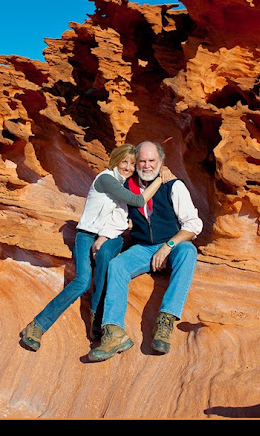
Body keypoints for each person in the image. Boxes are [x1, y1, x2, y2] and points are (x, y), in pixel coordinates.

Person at [20, 144, 175, 351]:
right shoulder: (106, 179)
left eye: (132, 163)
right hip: (86, 235)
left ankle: (97, 319)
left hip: (111, 236)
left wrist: (104, 237)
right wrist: (159, 178)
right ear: (116, 161)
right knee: (83, 281)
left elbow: (121, 218)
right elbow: (138, 201)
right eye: (124, 162)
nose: (128, 167)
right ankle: (36, 326)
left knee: (105, 260)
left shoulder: (128, 183)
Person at [88, 141, 203, 362]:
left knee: (188, 252)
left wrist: (167, 247)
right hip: (142, 248)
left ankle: (165, 321)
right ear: (136, 163)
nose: (147, 165)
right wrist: (102, 238)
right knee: (117, 265)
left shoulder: (174, 185)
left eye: (152, 161)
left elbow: (193, 224)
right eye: (142, 161)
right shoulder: (127, 186)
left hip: (172, 244)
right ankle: (114, 332)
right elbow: (119, 220)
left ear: (161, 163)